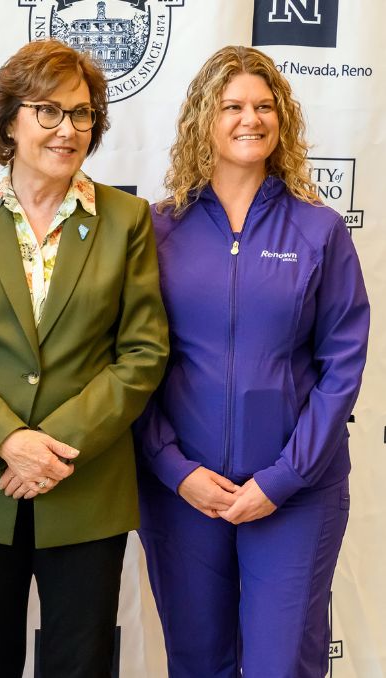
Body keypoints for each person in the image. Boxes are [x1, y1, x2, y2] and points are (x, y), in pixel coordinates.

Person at [0, 39, 169, 678]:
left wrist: (49, 447)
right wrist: (8, 441)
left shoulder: (126, 218)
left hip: (84, 483)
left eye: (81, 114)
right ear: (9, 122)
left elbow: (141, 353)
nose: (68, 129)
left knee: (80, 665)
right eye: (48, 112)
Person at [136, 45, 370, 678]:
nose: (251, 118)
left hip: (296, 492)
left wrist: (283, 479)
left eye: (265, 106)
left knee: (279, 665)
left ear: (282, 120)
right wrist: (175, 469)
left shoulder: (318, 229)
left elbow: (342, 364)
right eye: (233, 105)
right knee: (198, 661)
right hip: (185, 492)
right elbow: (131, 363)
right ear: (203, 119)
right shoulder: (156, 229)